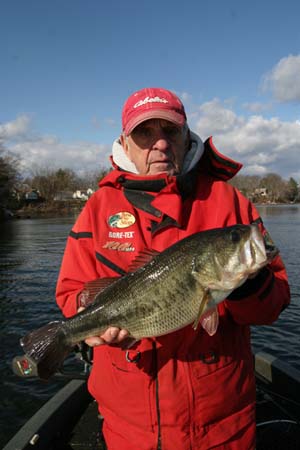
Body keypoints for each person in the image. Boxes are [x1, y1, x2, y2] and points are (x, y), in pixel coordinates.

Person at [56, 87, 290, 450]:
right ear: (125, 143)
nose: (160, 144)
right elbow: (73, 292)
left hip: (223, 424)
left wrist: (247, 285)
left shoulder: (231, 203)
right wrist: (86, 324)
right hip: (130, 427)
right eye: (145, 133)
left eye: (170, 131)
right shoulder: (97, 209)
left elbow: (274, 305)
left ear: (186, 136)